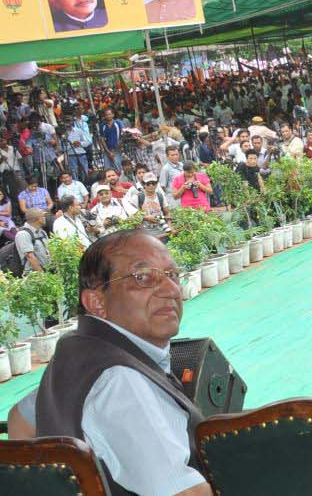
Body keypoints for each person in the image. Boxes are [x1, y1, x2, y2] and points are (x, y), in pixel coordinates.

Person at [31, 230, 213, 495]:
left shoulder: (76, 350)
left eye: (172, 275)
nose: (171, 289)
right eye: (143, 277)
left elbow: (19, 420)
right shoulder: (119, 381)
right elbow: (184, 493)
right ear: (96, 301)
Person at [15, 208, 50, 273]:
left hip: (48, 270)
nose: (45, 218)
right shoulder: (23, 234)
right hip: (34, 275)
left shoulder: (42, 232)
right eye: (43, 216)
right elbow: (30, 257)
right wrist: (43, 276)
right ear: (38, 219)